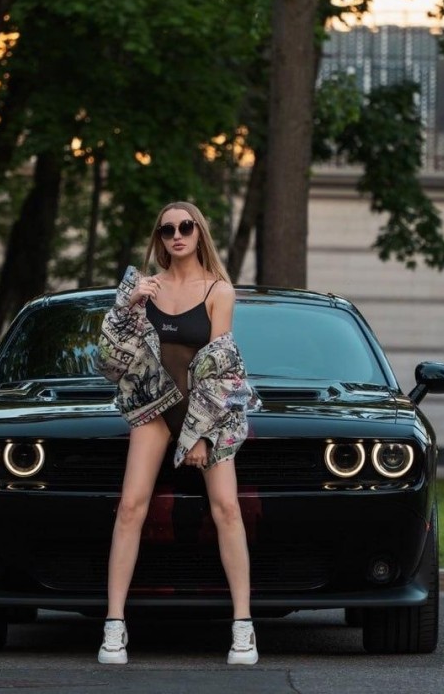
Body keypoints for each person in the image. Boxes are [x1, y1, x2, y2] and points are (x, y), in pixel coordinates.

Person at [95, 201, 258, 666]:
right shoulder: (144, 288)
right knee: (130, 508)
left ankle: (243, 626)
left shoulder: (219, 290)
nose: (177, 235)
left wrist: (200, 436)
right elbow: (108, 363)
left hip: (208, 413)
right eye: (167, 230)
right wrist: (127, 305)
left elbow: (220, 371)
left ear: (199, 232)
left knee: (227, 508)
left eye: (185, 227)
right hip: (154, 408)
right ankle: (114, 625)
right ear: (160, 239)